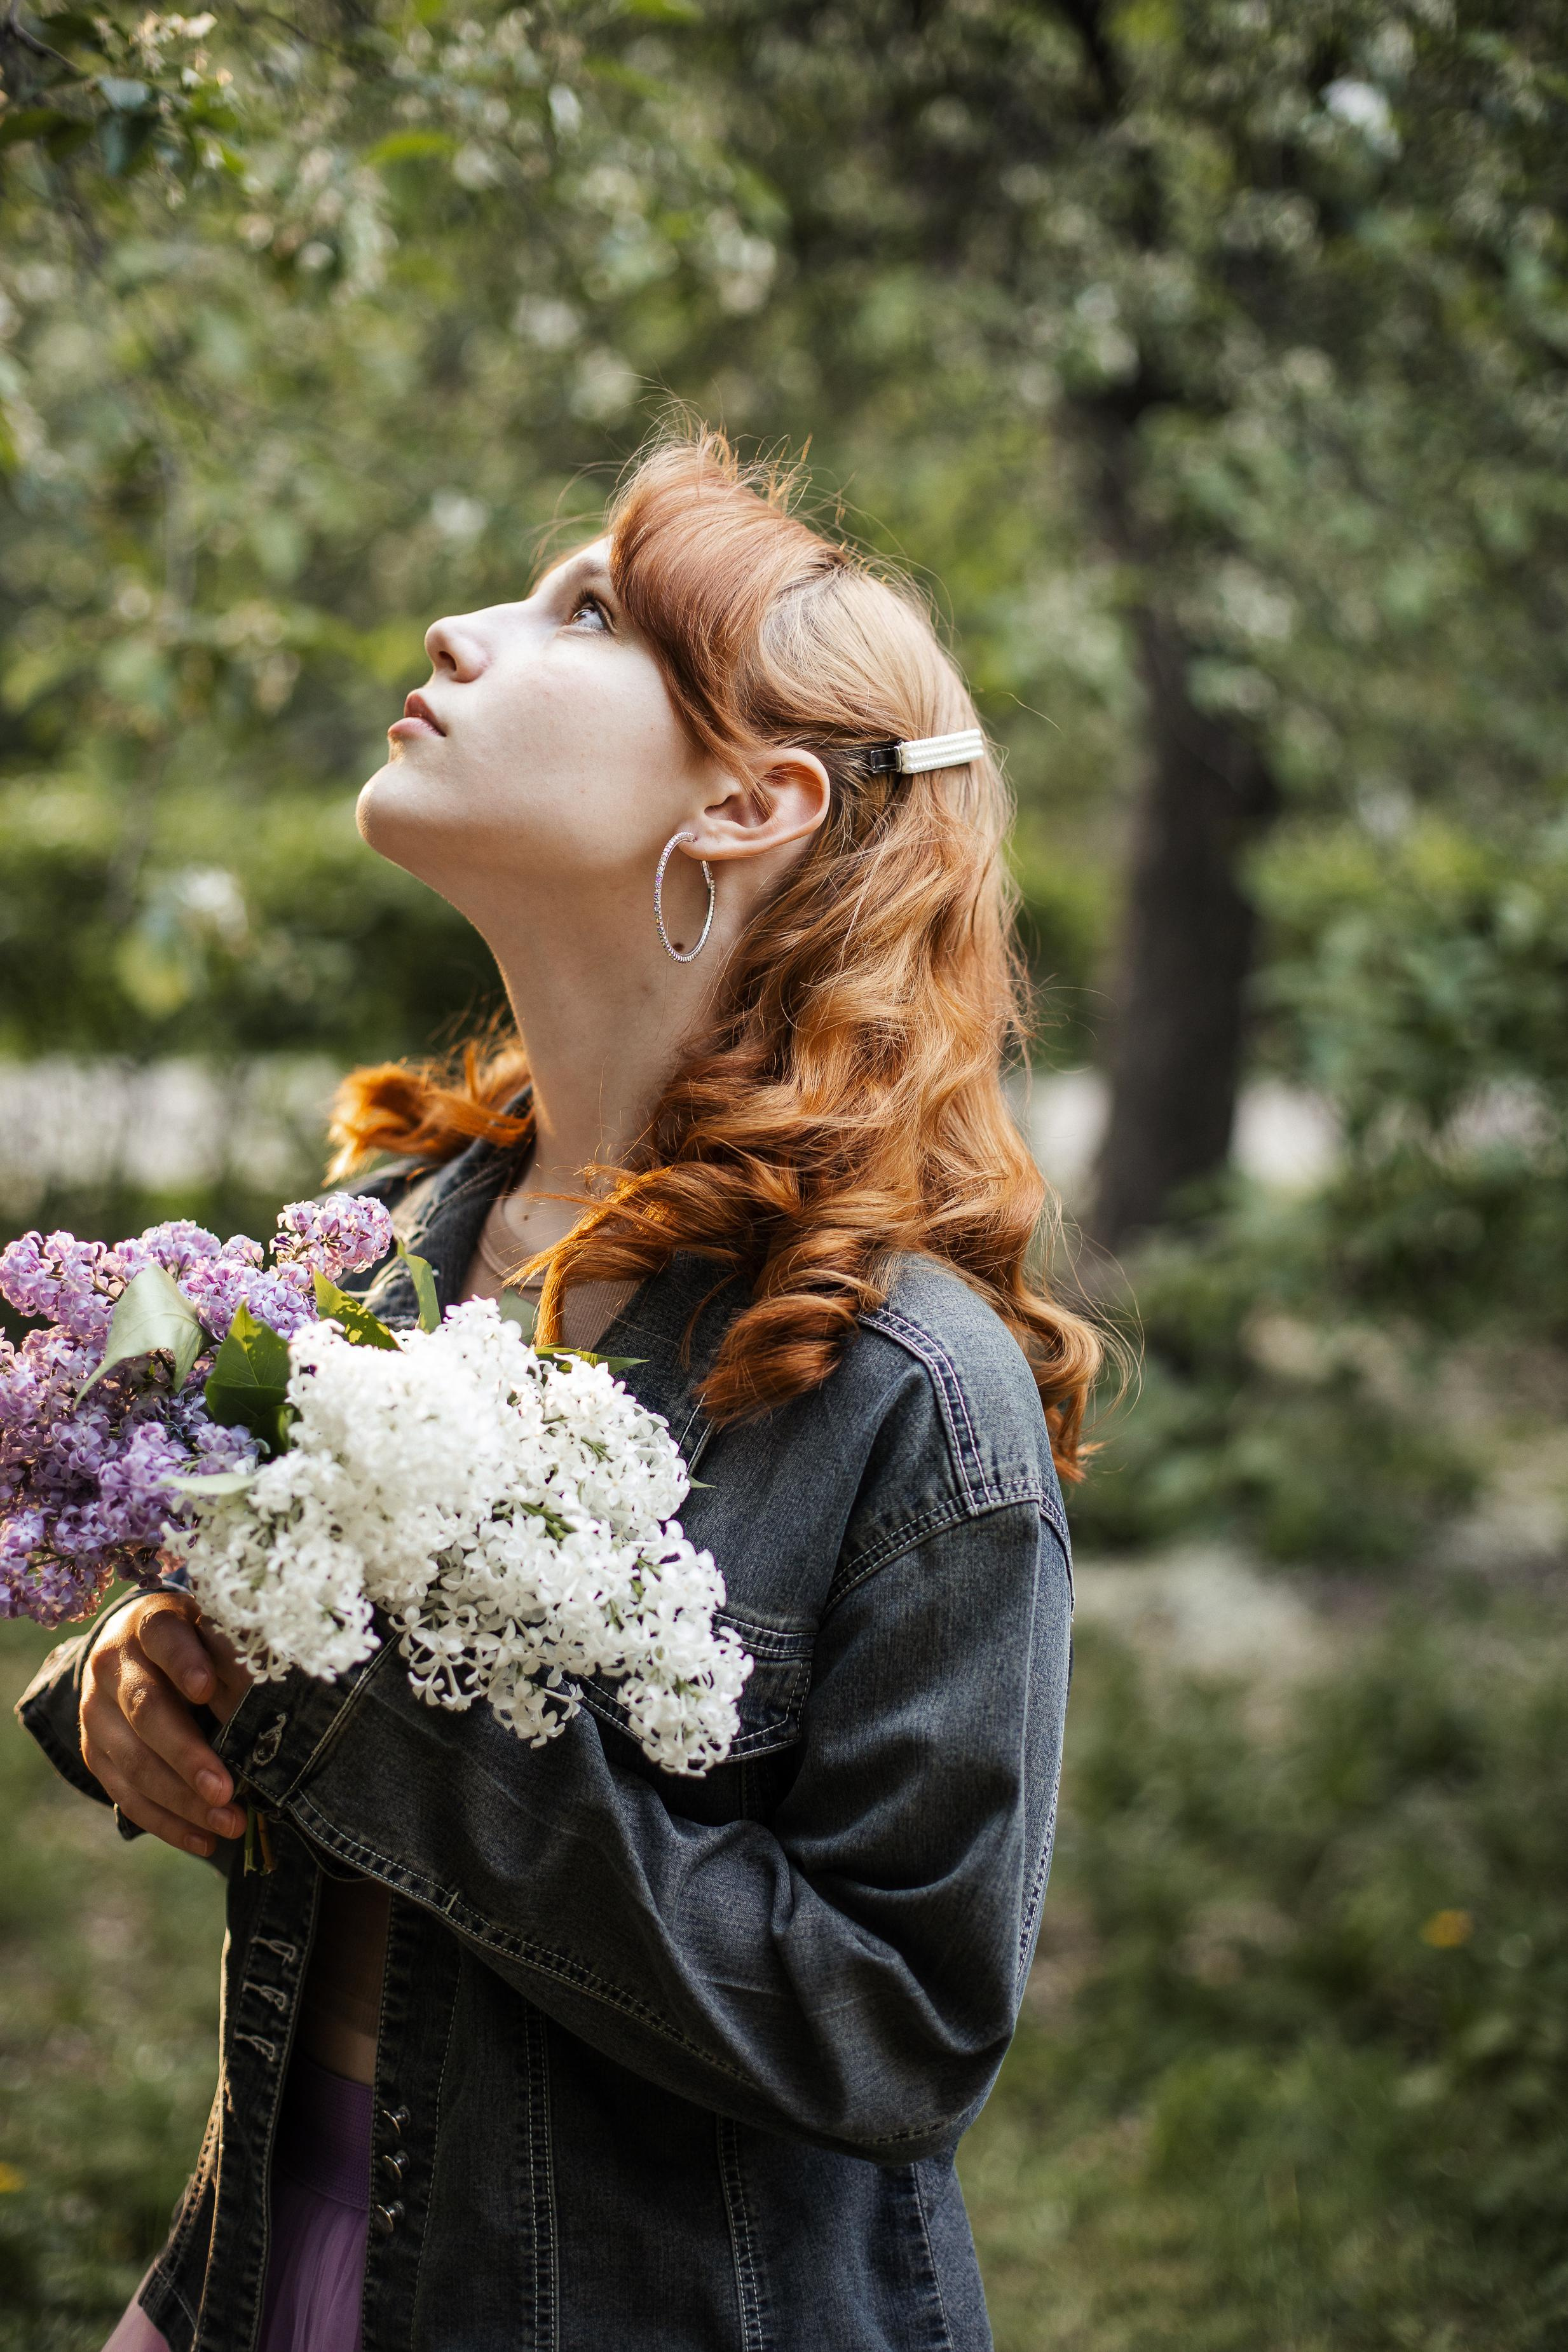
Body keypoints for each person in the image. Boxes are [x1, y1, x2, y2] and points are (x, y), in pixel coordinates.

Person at [20, 432, 1099, 2352]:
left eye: (585, 611)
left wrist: (359, 1720)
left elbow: (898, 2024)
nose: (462, 625)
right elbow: (249, 1659)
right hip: (266, 2266)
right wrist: (128, 1667)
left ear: (752, 803)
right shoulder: (379, 1246)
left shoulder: (905, 1390)